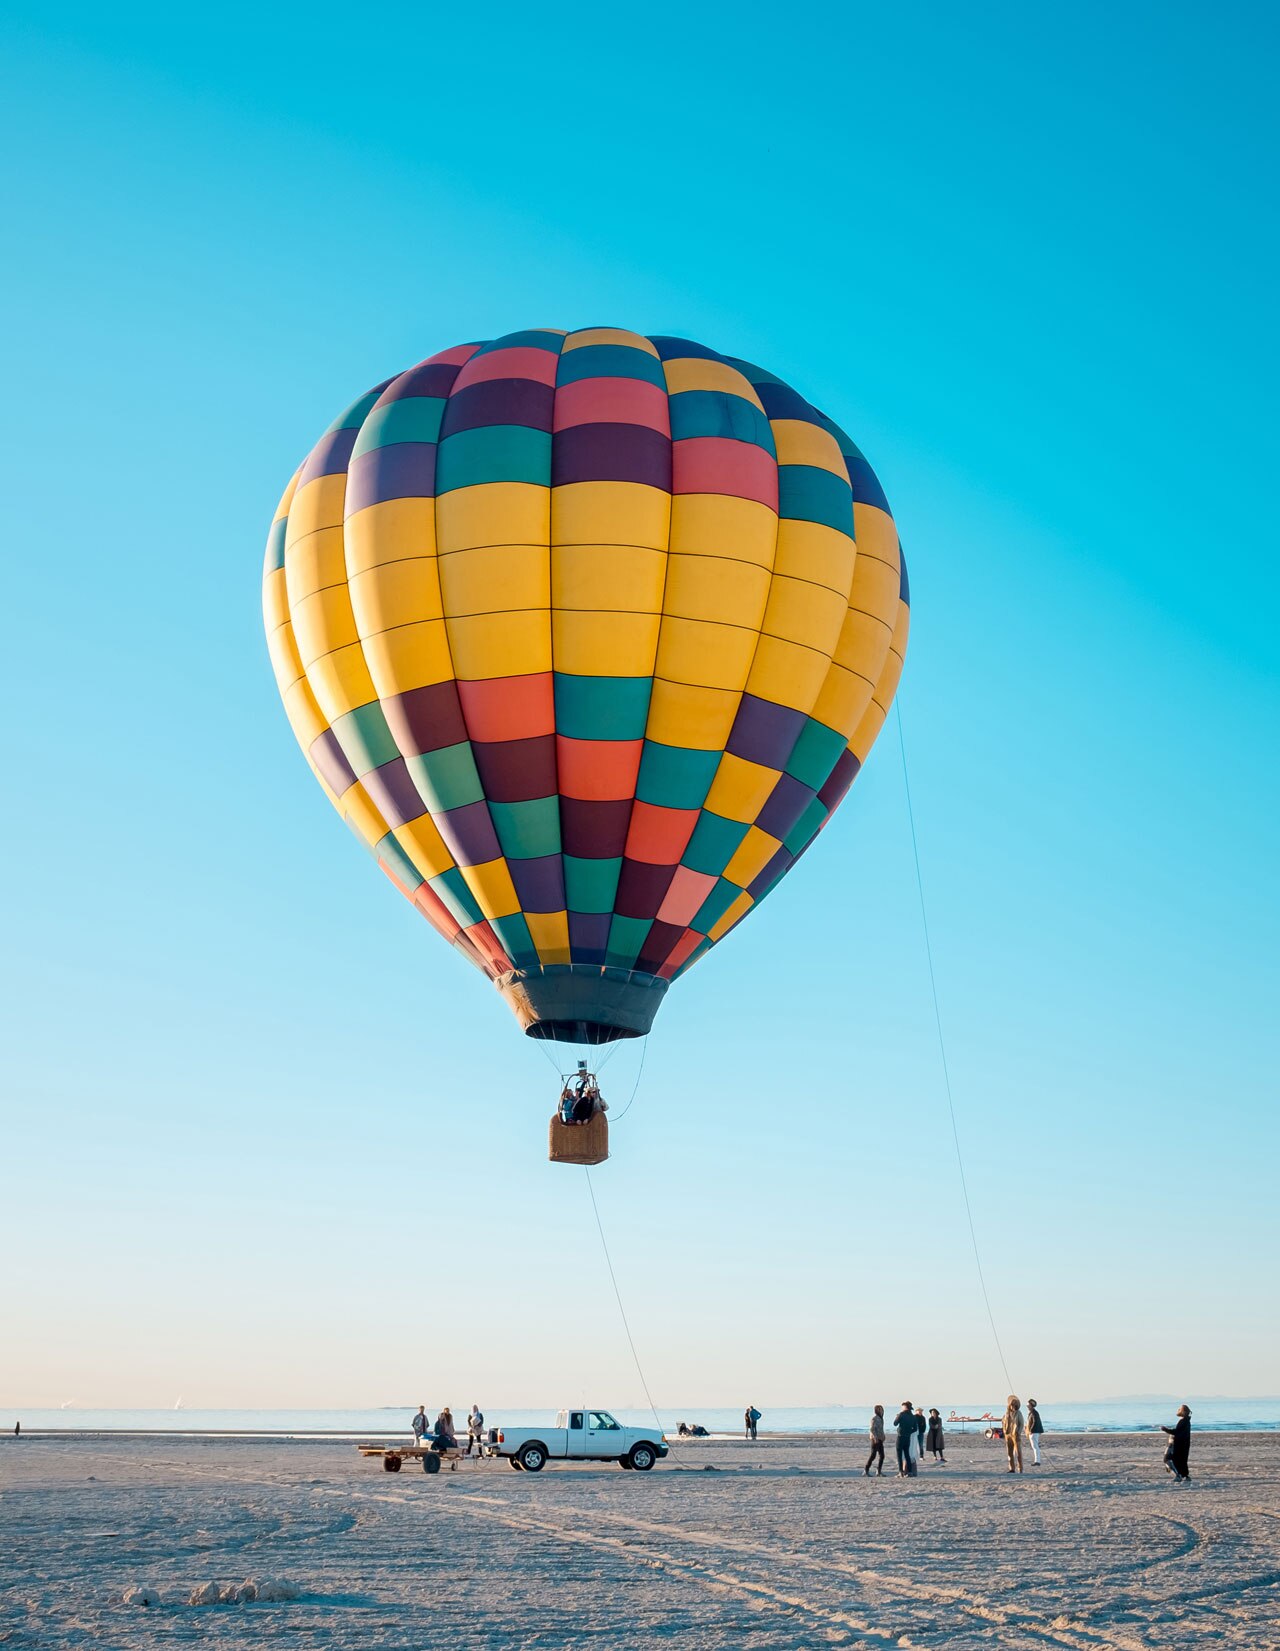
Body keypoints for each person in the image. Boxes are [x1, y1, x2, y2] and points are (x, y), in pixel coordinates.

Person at [1161, 1405, 1192, 1482]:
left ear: (1183, 1411)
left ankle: (1178, 1475)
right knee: (1181, 1460)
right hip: (1182, 1444)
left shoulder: (1184, 1421)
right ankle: (1184, 1475)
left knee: (1168, 1459)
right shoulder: (1186, 1421)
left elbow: (1177, 1432)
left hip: (1178, 1444)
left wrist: (1166, 1430)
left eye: (1179, 1409)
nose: (1178, 1410)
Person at [893, 1402, 917, 1476]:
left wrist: (897, 1417)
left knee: (899, 1455)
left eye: (902, 1407)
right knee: (907, 1454)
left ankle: (901, 1471)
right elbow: (915, 1429)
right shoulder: (913, 1417)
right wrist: (909, 1432)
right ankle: (909, 1472)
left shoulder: (901, 1414)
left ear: (905, 1407)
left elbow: (895, 1423)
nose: (901, 1408)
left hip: (901, 1437)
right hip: (907, 1437)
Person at [1003, 1395, 1025, 1473]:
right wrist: (1004, 1431)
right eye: (1012, 1405)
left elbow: (1021, 1424)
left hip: (1015, 1435)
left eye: (1015, 1406)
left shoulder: (1019, 1413)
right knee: (1009, 1452)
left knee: (1018, 1453)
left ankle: (1020, 1468)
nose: (1013, 1407)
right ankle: (1011, 1468)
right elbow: (1003, 1422)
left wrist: (1018, 1432)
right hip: (1008, 1435)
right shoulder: (1007, 1413)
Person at [864, 1405, 885, 1476]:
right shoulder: (874, 1418)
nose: (881, 1411)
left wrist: (883, 1435)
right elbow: (872, 1429)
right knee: (873, 1455)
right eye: (880, 1410)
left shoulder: (881, 1418)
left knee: (882, 1456)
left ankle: (879, 1471)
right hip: (875, 1439)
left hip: (880, 1439)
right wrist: (875, 1437)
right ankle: (866, 1469)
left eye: (882, 1409)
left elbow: (880, 1429)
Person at [1026, 1399, 1044, 1465]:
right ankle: (1037, 1461)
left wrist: (1031, 1430)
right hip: (1034, 1431)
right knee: (1035, 1446)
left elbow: (1034, 1422)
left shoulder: (1034, 1413)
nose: (1027, 1406)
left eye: (1028, 1405)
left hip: (1034, 1432)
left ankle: (1037, 1461)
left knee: (1035, 1446)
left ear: (1031, 1405)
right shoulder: (1032, 1412)